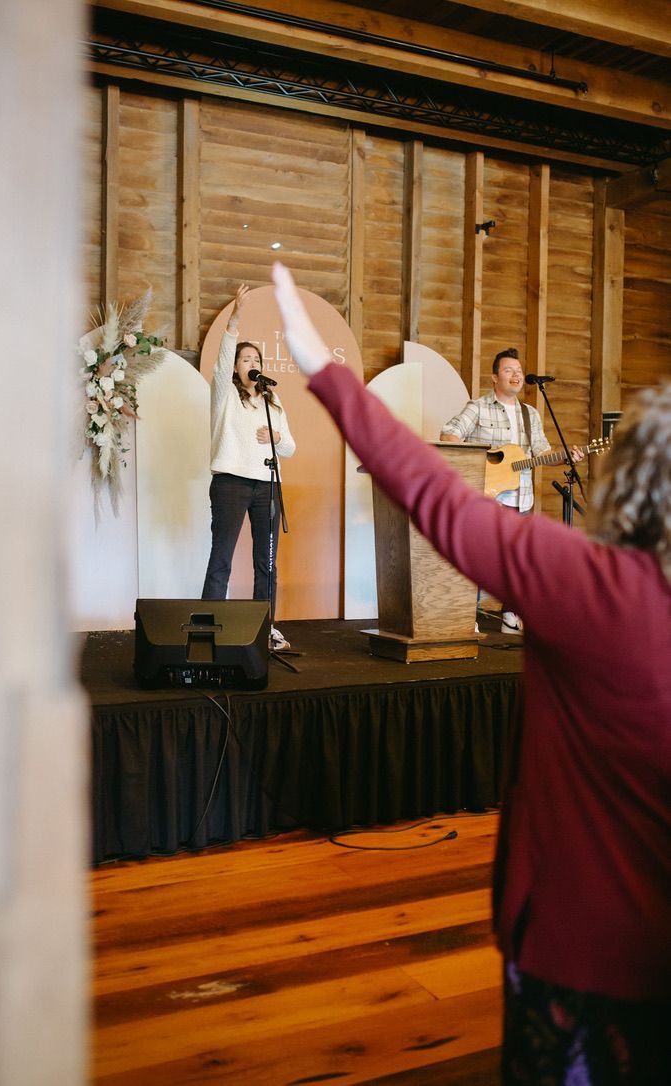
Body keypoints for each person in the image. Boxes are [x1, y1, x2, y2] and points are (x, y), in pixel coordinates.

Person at [272, 261, 671, 1086]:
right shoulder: (498, 432)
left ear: (628, 478)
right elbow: (457, 468)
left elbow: (438, 500)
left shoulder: (589, 585)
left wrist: (327, 373)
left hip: (572, 945)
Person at [440, 349, 583, 634]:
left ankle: (510, 616)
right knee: (480, 558)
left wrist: (567, 455)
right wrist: (484, 464)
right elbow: (449, 435)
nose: (517, 375)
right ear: (494, 377)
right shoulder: (478, 407)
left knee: (519, 561)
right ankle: (466, 616)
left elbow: (542, 452)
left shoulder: (530, 415)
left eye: (519, 370)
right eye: (509, 370)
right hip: (485, 498)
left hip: (521, 500)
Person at [201, 283, 296, 651]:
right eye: (246, 360)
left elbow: (289, 446)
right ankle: (208, 628)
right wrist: (235, 320)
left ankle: (264, 628)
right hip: (231, 483)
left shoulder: (273, 401)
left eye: (257, 360)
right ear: (236, 369)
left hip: (267, 486)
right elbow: (223, 359)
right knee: (221, 556)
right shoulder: (224, 396)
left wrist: (272, 439)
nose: (252, 364)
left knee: (266, 563)